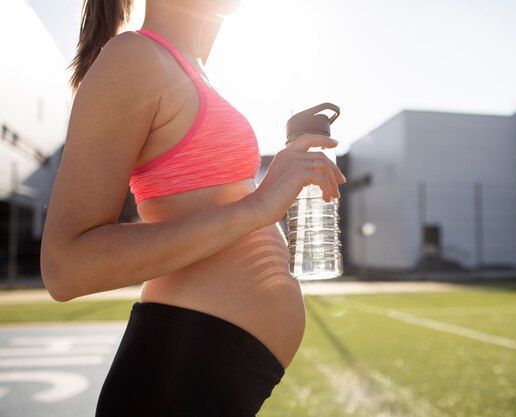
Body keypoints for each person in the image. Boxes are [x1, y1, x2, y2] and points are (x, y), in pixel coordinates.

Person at [39, 0, 346, 415]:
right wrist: (258, 205)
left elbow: (204, 199)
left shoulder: (188, 68)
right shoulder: (133, 58)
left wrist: (285, 165)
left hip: (207, 371)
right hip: (174, 376)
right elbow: (65, 266)